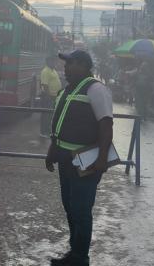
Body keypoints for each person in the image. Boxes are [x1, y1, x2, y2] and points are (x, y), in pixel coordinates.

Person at [45, 50, 114, 266]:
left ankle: (80, 257)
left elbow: (106, 125)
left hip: (85, 160)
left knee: (81, 209)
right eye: (65, 64)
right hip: (65, 158)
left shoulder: (96, 89)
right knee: (69, 206)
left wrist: (102, 158)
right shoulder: (68, 90)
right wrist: (52, 150)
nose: (64, 68)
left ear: (84, 65)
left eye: (70, 63)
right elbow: (60, 124)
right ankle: (74, 251)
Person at [39, 55, 63, 137]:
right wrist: (48, 96)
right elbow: (44, 85)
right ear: (48, 62)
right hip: (48, 96)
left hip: (54, 96)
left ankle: (48, 130)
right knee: (46, 115)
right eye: (53, 61)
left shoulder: (53, 70)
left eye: (55, 61)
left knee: (50, 115)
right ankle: (43, 132)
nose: (54, 63)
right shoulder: (46, 71)